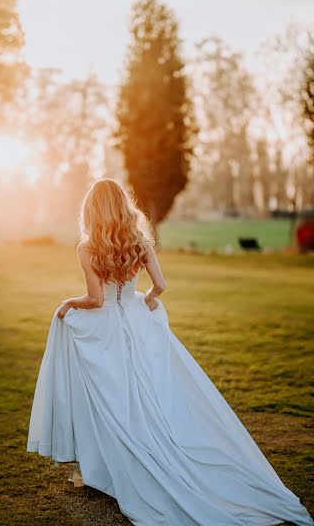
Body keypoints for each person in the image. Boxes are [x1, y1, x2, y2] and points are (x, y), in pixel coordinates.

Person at [27, 179, 313, 526]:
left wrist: (70, 303)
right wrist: (145, 300)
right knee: (148, 395)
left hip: (105, 329)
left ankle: (105, 465)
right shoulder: (140, 242)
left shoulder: (87, 248)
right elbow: (160, 286)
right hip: (135, 321)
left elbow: (97, 300)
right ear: (123, 207)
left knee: (111, 399)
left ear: (92, 211)